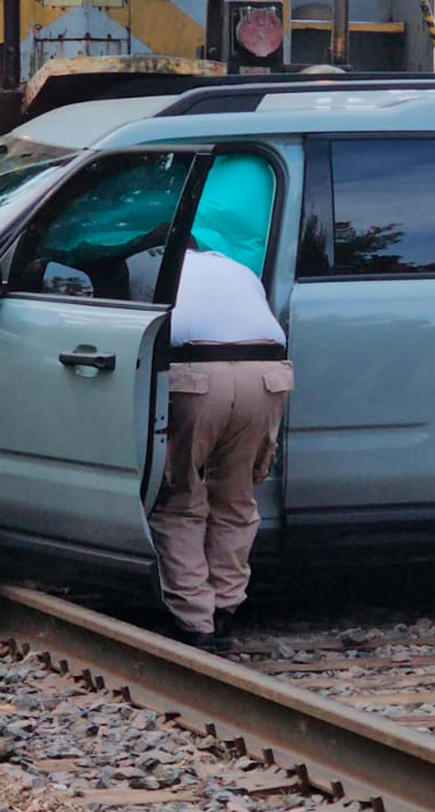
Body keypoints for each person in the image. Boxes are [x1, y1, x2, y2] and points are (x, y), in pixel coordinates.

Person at [147, 242, 294, 653]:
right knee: (236, 496)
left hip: (195, 375)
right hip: (266, 375)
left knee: (180, 497)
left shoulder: (154, 267)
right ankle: (226, 608)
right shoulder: (235, 268)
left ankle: (195, 622)